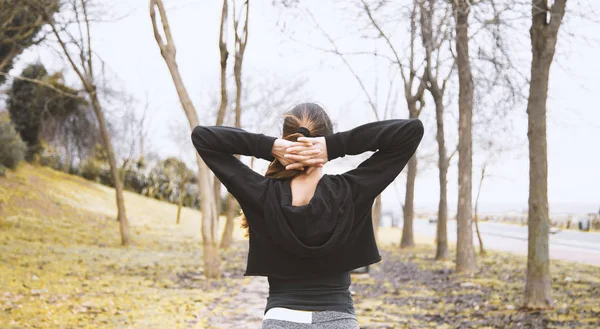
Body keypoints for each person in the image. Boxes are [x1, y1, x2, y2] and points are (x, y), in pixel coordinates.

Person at [191, 103, 424, 329]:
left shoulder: (262, 194)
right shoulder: (351, 192)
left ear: (285, 138)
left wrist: (269, 147)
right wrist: (335, 146)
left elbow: (203, 138)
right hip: (338, 321)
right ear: (324, 139)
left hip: (280, 319)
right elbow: (410, 131)